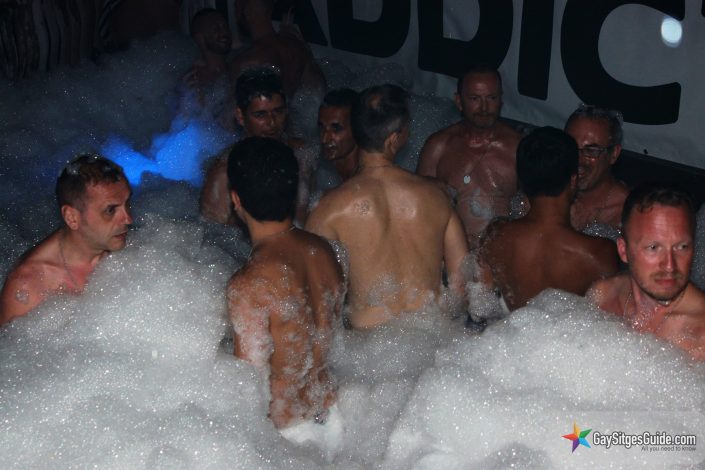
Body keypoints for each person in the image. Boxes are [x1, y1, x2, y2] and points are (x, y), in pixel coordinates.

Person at [306, 84, 469, 329]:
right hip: (433, 338)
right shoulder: (437, 197)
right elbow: (462, 286)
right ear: (395, 139)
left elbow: (317, 301)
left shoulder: (328, 211)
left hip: (367, 345)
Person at [226, 137, 345, 430]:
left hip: (288, 433)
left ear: (236, 200)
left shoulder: (250, 284)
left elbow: (247, 385)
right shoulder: (323, 251)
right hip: (333, 414)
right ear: (293, 192)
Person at [476, 127, 619, 312]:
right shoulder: (599, 254)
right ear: (573, 181)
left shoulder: (495, 235)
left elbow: (480, 303)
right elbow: (611, 316)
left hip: (505, 328)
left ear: (522, 180)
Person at [0, 154, 132, 324]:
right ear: (72, 217)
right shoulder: (27, 287)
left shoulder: (128, 250)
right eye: (110, 210)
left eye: (127, 203)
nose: (128, 219)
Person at [588, 183, 705, 360]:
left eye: (682, 247)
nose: (669, 266)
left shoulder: (700, 334)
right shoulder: (603, 297)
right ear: (623, 251)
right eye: (653, 248)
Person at [417, 65, 522, 249]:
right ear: (459, 101)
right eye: (475, 98)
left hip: (501, 254)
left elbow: (533, 211)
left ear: (500, 100)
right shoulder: (439, 147)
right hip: (451, 253)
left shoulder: (517, 148)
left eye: (491, 98)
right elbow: (419, 207)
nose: (484, 108)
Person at [199, 66, 311, 225]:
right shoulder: (224, 172)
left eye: (278, 111)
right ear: (240, 116)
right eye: (260, 115)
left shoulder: (302, 154)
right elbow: (212, 234)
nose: (271, 122)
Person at [229, 0, 325, 97]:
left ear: (247, 13)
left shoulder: (244, 61)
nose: (236, 15)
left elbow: (231, 104)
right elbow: (318, 89)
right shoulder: (297, 47)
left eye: (237, 8)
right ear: (270, 11)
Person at [564, 104, 629, 236]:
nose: (578, 159)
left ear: (614, 154)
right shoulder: (546, 194)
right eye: (570, 146)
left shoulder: (627, 214)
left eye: (591, 151)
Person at [315, 88, 359, 191]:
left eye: (336, 129)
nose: (324, 138)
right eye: (322, 127)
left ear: (358, 129)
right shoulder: (315, 168)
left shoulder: (369, 178)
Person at [184, 8, 234, 91]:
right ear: (199, 39)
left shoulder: (238, 67)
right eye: (216, 28)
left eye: (225, 27)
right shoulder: (193, 79)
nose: (224, 32)